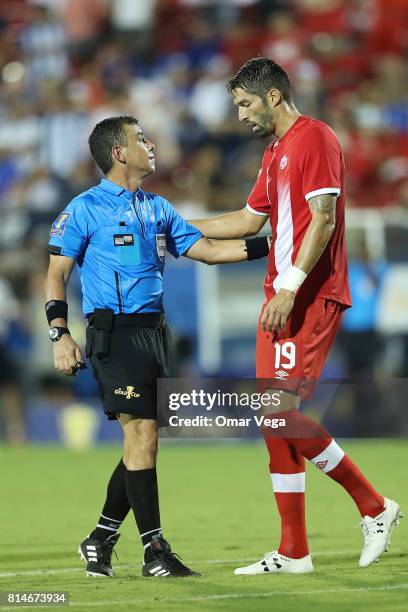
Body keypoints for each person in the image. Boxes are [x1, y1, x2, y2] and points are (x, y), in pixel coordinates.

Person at [190, 57, 402, 574]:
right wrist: (171, 225)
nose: (239, 115)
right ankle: (293, 551)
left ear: (274, 96)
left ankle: (375, 507)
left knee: (278, 415)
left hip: (307, 296)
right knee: (273, 423)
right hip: (280, 298)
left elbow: (324, 218)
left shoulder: (316, 138)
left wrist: (288, 287)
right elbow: (246, 219)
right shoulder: (275, 151)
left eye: (244, 103)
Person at [44, 115, 271, 578]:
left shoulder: (158, 208)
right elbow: (56, 274)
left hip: (155, 333)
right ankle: (155, 552)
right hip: (114, 331)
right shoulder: (84, 208)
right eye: (141, 139)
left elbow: (208, 250)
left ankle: (101, 537)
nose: (152, 144)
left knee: (142, 443)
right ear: (119, 153)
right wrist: (60, 334)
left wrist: (276, 245)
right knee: (142, 435)